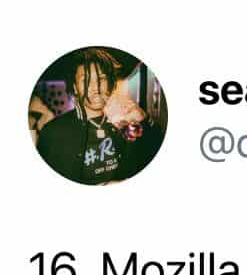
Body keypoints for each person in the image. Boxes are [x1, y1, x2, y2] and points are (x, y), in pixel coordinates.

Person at [33, 49, 163, 186]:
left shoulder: (123, 122)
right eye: (86, 80)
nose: (96, 87)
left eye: (101, 78)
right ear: (75, 88)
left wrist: (143, 118)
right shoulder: (53, 133)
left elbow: (151, 153)